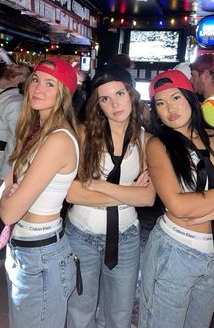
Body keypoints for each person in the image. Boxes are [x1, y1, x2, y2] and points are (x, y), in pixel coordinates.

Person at [65, 64, 155, 328]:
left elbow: (148, 198)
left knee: (120, 314)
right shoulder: (83, 135)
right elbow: (72, 193)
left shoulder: (146, 141)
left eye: (119, 94)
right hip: (80, 233)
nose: (114, 104)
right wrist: (130, 194)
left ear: (131, 94)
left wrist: (97, 185)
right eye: (105, 98)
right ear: (98, 104)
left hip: (126, 238)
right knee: (80, 312)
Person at [139, 70, 214, 328]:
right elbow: (178, 206)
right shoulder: (158, 145)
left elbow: (191, 207)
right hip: (173, 252)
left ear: (190, 97)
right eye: (161, 103)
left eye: (176, 97)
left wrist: (213, 213)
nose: (170, 108)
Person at [0, 57, 80, 328]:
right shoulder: (35, 132)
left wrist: (9, 194)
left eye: (49, 84)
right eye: (35, 79)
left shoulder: (57, 139)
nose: (37, 88)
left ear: (64, 94)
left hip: (41, 256)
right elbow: (5, 189)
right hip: (25, 250)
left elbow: (8, 210)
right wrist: (9, 192)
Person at [0, 63, 30, 277]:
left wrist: (5, 175)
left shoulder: (16, 102)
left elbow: (16, 142)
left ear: (21, 80)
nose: (14, 66)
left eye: (21, 70)